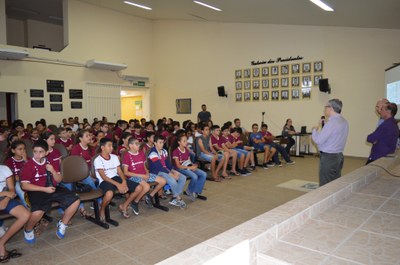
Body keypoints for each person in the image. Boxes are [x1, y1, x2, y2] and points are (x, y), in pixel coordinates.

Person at [21, 140, 80, 242]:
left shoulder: (50, 163)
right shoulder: (28, 165)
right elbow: (24, 185)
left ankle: (63, 224)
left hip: (51, 188)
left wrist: (52, 171)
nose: (37, 155)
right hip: (36, 190)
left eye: (41, 152)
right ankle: (28, 229)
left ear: (46, 152)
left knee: (75, 201)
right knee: (37, 213)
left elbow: (59, 179)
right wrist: (44, 189)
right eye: (35, 152)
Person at [94, 138, 142, 219]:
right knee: (109, 194)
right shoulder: (98, 160)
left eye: (112, 146)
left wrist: (123, 181)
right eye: (109, 146)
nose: (111, 148)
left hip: (116, 178)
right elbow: (103, 177)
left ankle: (124, 206)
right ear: (102, 147)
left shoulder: (114, 157)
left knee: (139, 188)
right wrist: (119, 185)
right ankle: (102, 209)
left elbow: (120, 172)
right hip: (105, 181)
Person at [122, 137, 166, 211]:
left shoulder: (141, 153)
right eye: (136, 144)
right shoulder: (127, 156)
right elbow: (126, 172)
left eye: (138, 143)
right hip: (133, 176)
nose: (139, 145)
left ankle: (150, 196)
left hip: (144, 174)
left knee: (163, 181)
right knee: (146, 187)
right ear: (130, 145)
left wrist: (147, 173)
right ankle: (135, 202)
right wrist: (142, 176)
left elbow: (144, 166)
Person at [312, 99, 349, 186]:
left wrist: (314, 130)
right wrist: (324, 127)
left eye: (325, 107)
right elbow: (332, 137)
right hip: (338, 156)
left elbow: (318, 140)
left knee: (325, 185)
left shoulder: (332, 123)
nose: (324, 109)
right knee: (335, 183)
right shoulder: (344, 121)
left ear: (331, 108)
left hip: (329, 158)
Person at [0, 165, 30, 262]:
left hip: (6, 199)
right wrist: (4, 194)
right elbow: (7, 192)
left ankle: (1, 243)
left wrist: (6, 199)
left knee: (25, 215)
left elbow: (12, 190)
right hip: (4, 195)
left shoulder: (4, 169)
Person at [148, 135, 187, 208]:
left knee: (182, 177)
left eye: (162, 142)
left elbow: (168, 164)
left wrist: (173, 171)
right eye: (160, 142)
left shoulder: (164, 151)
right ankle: (178, 198)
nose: (162, 144)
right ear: (155, 143)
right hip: (157, 172)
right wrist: (171, 174)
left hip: (165, 170)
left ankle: (175, 197)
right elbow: (159, 167)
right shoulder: (153, 153)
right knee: (172, 180)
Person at [172, 134, 207, 201]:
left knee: (203, 174)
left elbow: (189, 161)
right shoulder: (175, 151)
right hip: (180, 169)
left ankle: (196, 191)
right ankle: (189, 191)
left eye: (186, 140)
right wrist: (191, 168)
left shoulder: (186, 150)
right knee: (194, 176)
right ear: (179, 142)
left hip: (188, 166)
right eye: (184, 141)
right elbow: (178, 165)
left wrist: (194, 165)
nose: (186, 142)